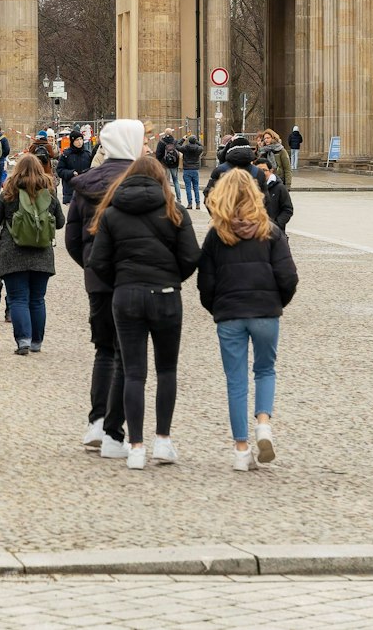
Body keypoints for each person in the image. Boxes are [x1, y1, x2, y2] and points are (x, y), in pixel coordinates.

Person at [87, 155, 198, 469]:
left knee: (134, 372)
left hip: (127, 295)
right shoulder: (174, 211)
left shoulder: (111, 213)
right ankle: (162, 441)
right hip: (166, 295)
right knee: (166, 370)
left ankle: (135, 447)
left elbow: (98, 261)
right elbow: (192, 256)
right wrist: (172, 278)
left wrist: (122, 280)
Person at [198, 167, 298, 471]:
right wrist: (276, 303)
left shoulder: (216, 235)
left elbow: (205, 283)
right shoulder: (271, 231)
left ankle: (241, 449)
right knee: (265, 370)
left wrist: (216, 308)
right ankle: (263, 424)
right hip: (265, 311)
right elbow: (288, 277)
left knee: (236, 381)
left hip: (229, 313)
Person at [68, 119, 140, 455]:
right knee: (128, 355)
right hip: (134, 276)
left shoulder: (86, 183)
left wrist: (91, 264)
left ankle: (96, 422)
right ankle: (115, 433)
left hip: (98, 278)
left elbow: (71, 238)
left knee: (104, 350)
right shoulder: (143, 179)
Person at [0, 153, 65, 355]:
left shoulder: (9, 191)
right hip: (42, 254)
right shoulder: (49, 192)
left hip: (14, 253)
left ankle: (23, 341)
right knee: (37, 299)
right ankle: (37, 341)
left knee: (18, 299)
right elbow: (60, 223)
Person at [56, 131, 93, 207]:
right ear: (72, 141)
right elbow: (60, 170)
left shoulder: (87, 154)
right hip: (70, 192)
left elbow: (93, 169)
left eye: (81, 139)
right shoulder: (66, 155)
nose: (79, 142)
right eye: (76, 140)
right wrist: (71, 173)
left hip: (85, 191)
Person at [178, 134, 204, 209]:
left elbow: (177, 146)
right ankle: (198, 203)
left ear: (189, 141)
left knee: (188, 187)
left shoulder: (185, 148)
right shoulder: (199, 149)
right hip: (195, 169)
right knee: (196, 187)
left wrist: (183, 139)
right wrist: (196, 141)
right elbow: (201, 146)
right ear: (195, 141)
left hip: (187, 169)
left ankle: (190, 203)